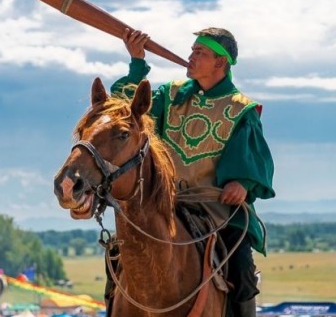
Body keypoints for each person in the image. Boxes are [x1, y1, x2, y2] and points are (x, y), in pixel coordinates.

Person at [110, 27, 275, 317]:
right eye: (192, 50)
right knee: (119, 251)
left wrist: (242, 182)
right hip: (164, 201)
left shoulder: (241, 110)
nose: (190, 57)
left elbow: (252, 159)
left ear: (220, 62)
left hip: (215, 206)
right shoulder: (169, 95)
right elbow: (127, 114)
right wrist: (137, 62)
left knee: (242, 269)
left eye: (199, 53)